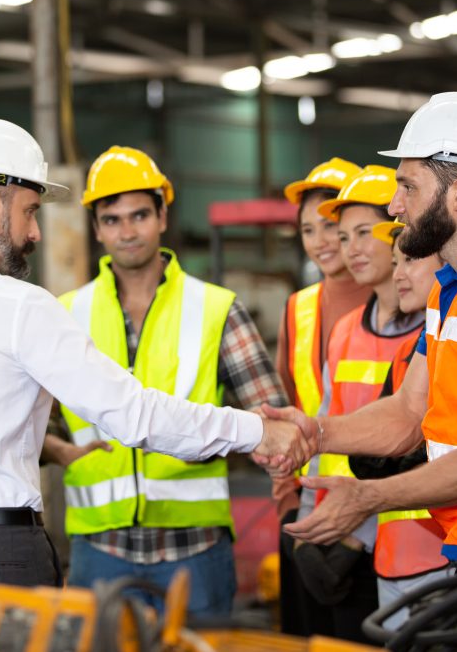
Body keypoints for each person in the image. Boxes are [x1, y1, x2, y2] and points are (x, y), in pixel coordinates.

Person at [0, 118, 311, 652]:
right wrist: (254, 432)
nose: (35, 233)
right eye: (30, 211)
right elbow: (132, 414)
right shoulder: (23, 307)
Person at [264, 91, 457, 573]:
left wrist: (371, 496)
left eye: (408, 187)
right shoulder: (451, 290)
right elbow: (410, 411)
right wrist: (318, 433)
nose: (394, 206)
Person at [45, 146, 287, 617]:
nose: (127, 231)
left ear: (162, 216)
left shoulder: (216, 308)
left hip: (195, 549)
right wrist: (59, 449)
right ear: (96, 229)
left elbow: (271, 420)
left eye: (139, 215)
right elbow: (35, 426)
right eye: (112, 219)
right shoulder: (66, 315)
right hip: (99, 549)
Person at [283, 166, 421, 643]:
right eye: (345, 238)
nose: (350, 249)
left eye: (365, 233)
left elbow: (411, 448)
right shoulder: (345, 333)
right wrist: (306, 525)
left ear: (399, 232)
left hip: (409, 542)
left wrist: (353, 538)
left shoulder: (430, 335)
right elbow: (324, 434)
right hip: (335, 535)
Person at [274, 157, 367, 637]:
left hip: (372, 522)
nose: (323, 241)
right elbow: (286, 409)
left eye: (333, 226)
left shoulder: (396, 298)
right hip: (308, 520)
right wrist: (288, 507)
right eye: (309, 230)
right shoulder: (298, 309)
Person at [347, 224, 447, 629]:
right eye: (395, 262)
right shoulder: (414, 351)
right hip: (399, 559)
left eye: (410, 260)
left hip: (455, 556)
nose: (398, 274)